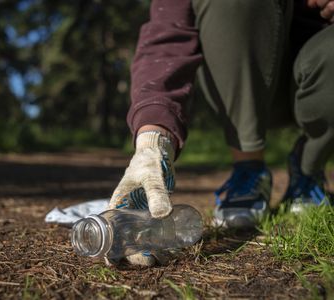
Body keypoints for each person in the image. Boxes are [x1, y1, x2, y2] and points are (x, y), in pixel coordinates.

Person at [108, 0, 334, 266]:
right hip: (240, 76)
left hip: (319, 72)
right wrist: (152, 141)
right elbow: (166, 37)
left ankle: (308, 168)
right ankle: (249, 168)